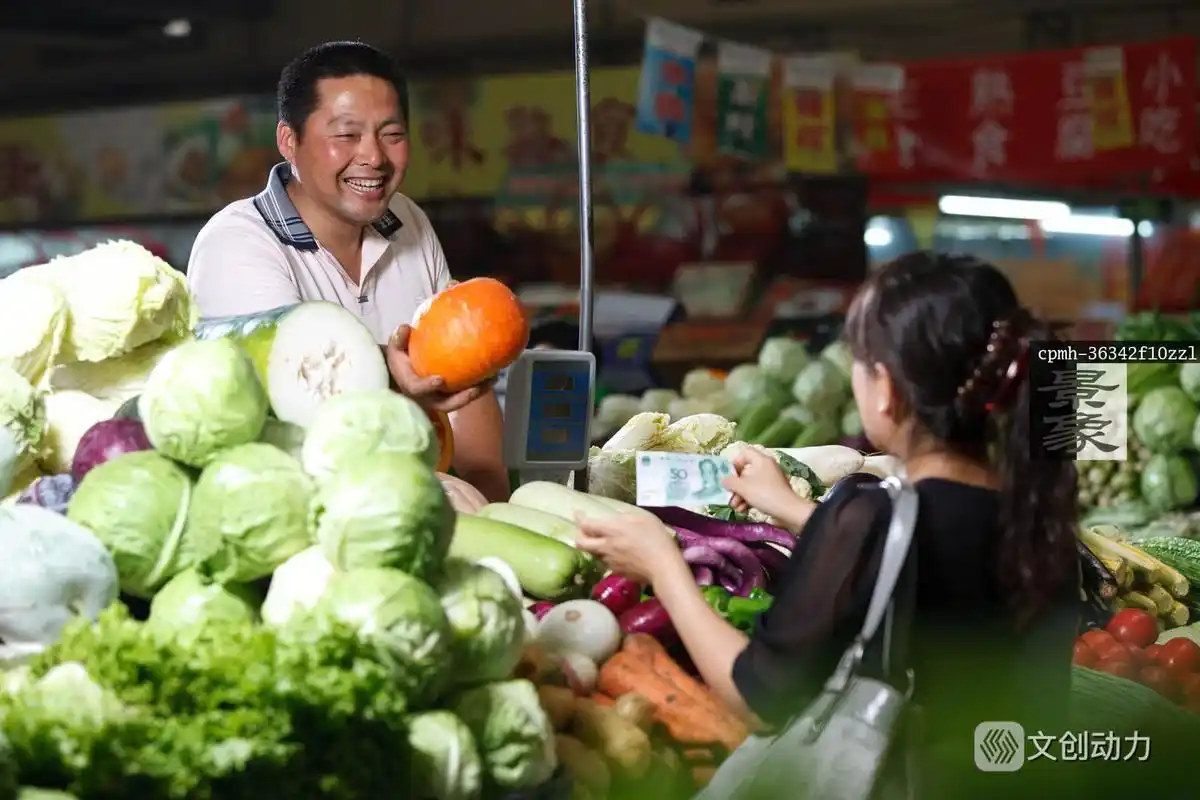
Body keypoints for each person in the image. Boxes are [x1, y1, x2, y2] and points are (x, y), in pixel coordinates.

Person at [574, 252, 1082, 797]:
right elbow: (921, 562)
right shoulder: (1042, 515)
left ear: (885, 389)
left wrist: (664, 565)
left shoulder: (870, 513)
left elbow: (759, 699)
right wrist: (793, 509)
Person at [186, 41, 508, 501]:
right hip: (294, 507)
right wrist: (395, 369)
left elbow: (465, 376)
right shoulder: (237, 243)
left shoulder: (409, 221)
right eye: (346, 135)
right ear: (288, 141)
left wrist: (495, 511)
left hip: (413, 495)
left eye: (392, 134)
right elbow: (294, 380)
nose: (373, 157)